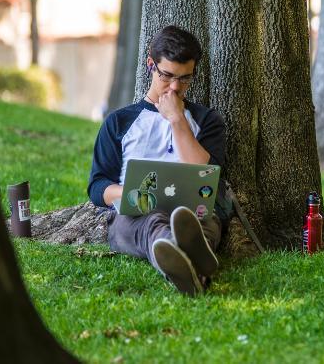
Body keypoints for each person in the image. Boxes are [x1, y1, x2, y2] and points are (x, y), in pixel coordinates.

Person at [88, 26, 231, 296]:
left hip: (193, 213)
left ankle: (184, 259)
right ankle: (186, 257)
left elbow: (206, 174)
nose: (176, 87)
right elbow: (97, 186)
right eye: (167, 76)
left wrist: (177, 119)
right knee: (153, 223)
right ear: (150, 65)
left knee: (196, 222)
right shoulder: (120, 121)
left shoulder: (206, 121)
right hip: (136, 215)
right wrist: (131, 193)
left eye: (185, 79)